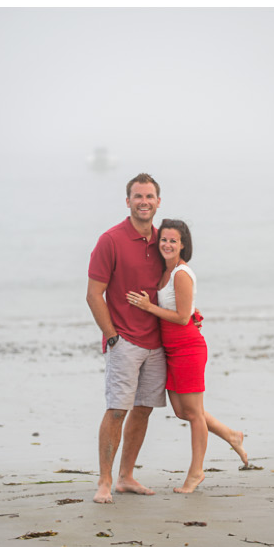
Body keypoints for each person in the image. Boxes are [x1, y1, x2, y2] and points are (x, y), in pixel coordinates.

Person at [126, 219, 248, 493]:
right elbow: (185, 308)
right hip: (170, 350)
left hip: (188, 349)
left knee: (193, 415)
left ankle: (196, 473)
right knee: (184, 411)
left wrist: (148, 306)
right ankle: (231, 435)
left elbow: (182, 318)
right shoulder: (165, 272)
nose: (167, 244)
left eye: (173, 241)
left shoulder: (181, 273)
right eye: (164, 240)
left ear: (183, 245)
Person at [86, 173, 167, 504]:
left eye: (149, 196)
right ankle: (104, 481)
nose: (144, 201)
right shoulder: (111, 240)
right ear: (128, 201)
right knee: (117, 410)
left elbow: (175, 286)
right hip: (125, 342)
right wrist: (112, 336)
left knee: (144, 409)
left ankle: (126, 477)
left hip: (158, 342)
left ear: (158, 201)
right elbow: (94, 295)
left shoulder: (165, 240)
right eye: (138, 196)